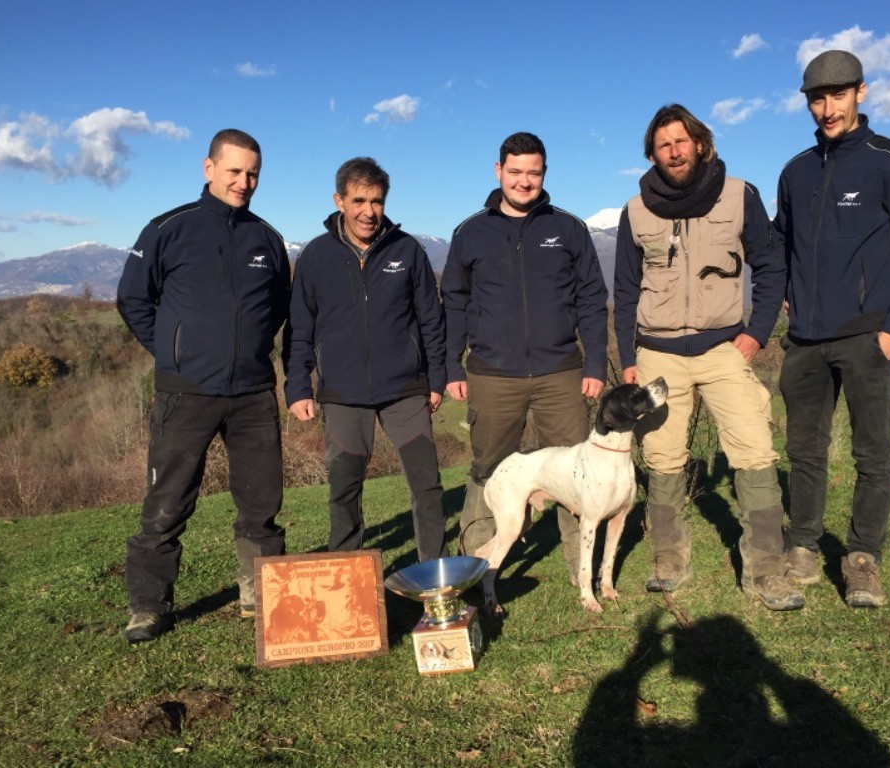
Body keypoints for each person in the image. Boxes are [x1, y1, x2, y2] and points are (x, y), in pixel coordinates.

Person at [613, 104, 803, 611]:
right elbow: (626, 288)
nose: (673, 151)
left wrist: (755, 334)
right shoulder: (635, 210)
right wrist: (627, 357)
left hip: (723, 349)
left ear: (700, 143)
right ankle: (668, 559)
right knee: (662, 456)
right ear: (651, 154)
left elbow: (769, 267)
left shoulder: (740, 195)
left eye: (681, 141)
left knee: (754, 450)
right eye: (662, 145)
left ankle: (766, 569)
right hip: (657, 354)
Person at [775, 50, 890, 607]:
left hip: (869, 336)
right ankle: (801, 544)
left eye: (838, 95)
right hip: (805, 342)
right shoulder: (796, 170)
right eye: (817, 99)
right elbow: (780, 247)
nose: (827, 108)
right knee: (804, 450)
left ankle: (863, 558)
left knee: (873, 455)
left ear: (861, 93)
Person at [117, 128, 291, 643]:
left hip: (254, 393)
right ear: (208, 167)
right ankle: (149, 607)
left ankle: (257, 593)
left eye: (253, 173)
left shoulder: (268, 239)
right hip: (185, 391)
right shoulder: (168, 228)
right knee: (167, 502)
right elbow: (133, 300)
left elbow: (278, 307)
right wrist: (175, 355)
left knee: (261, 503)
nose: (244, 181)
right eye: (234, 170)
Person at [441, 132, 608, 583]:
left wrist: (595, 363)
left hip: (561, 372)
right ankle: (477, 565)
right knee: (487, 468)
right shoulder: (470, 232)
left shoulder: (568, 228)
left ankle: (581, 567)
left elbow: (592, 299)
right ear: (498, 172)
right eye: (515, 172)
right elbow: (454, 302)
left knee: (575, 470)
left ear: (544, 174)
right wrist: (451, 366)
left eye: (533, 172)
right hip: (493, 373)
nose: (524, 181)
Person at [283, 157, 447, 562]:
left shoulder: (407, 250)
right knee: (343, 492)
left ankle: (438, 581)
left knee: (426, 487)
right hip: (342, 393)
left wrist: (437, 378)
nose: (368, 211)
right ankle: (346, 580)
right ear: (339, 200)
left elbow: (431, 318)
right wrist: (298, 386)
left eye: (377, 201)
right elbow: (300, 326)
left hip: (406, 389)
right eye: (359, 200)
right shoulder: (316, 257)